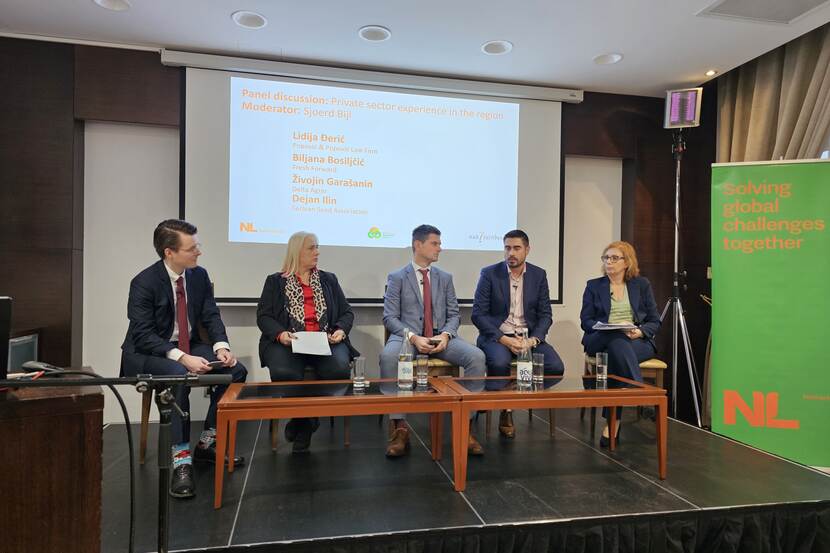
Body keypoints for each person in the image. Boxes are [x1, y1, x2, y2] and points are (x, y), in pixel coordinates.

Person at [121, 219, 248, 499]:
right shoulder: (144, 282)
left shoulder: (199, 276)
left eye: (197, 246)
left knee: (236, 371)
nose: (198, 252)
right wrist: (183, 357)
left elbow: (211, 315)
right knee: (179, 373)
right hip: (149, 352)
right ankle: (181, 459)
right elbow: (142, 335)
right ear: (169, 252)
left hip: (189, 346)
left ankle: (207, 443)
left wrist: (220, 347)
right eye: (192, 248)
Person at [380, 224, 487, 457]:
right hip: (408, 338)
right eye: (435, 243)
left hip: (440, 338)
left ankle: (466, 425)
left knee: (476, 357)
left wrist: (446, 335)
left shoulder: (445, 278)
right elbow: (389, 317)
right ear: (418, 245)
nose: (440, 248)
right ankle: (399, 427)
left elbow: (454, 314)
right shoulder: (397, 277)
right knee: (388, 357)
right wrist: (413, 337)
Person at [257, 231, 358, 454]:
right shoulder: (275, 281)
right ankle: (306, 423)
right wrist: (281, 334)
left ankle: (303, 421)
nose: (317, 252)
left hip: (325, 340)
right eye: (311, 248)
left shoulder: (328, 279)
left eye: (317, 247)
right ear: (297, 252)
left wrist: (341, 330)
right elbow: (264, 316)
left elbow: (346, 313)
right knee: (284, 371)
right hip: (289, 341)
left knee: (338, 369)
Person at [472, 229, 565, 438]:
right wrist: (504, 339)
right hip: (498, 336)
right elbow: (478, 315)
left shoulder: (538, 275)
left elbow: (545, 314)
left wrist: (532, 340)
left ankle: (508, 392)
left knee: (555, 368)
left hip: (528, 337)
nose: (511, 253)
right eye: (507, 248)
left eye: (516, 248)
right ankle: (506, 411)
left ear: (527, 250)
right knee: (498, 363)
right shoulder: (489, 274)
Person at [579, 240, 660, 447]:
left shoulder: (641, 285)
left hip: (636, 341)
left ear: (627, 262)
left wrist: (639, 331)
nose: (609, 262)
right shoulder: (594, 286)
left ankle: (613, 423)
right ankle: (641, 393)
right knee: (615, 338)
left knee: (618, 348)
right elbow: (586, 321)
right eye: (606, 258)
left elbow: (654, 320)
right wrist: (607, 325)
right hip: (601, 338)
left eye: (614, 258)